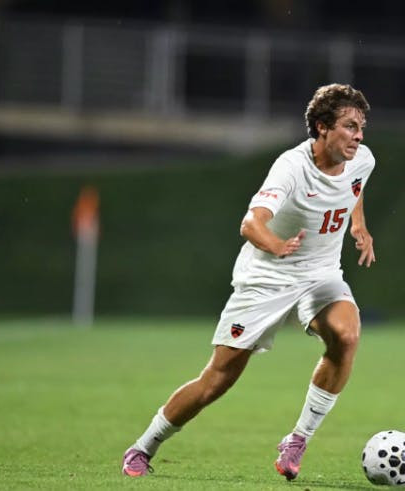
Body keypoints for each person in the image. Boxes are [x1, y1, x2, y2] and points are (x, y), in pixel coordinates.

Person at [121, 83, 377, 481]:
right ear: (322, 127)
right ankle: (143, 447)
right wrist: (276, 245)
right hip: (267, 276)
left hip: (321, 274)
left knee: (346, 335)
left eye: (361, 126)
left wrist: (358, 226)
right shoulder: (291, 167)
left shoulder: (362, 160)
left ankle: (298, 440)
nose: (358, 135)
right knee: (216, 380)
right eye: (349, 125)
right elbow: (250, 223)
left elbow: (354, 189)